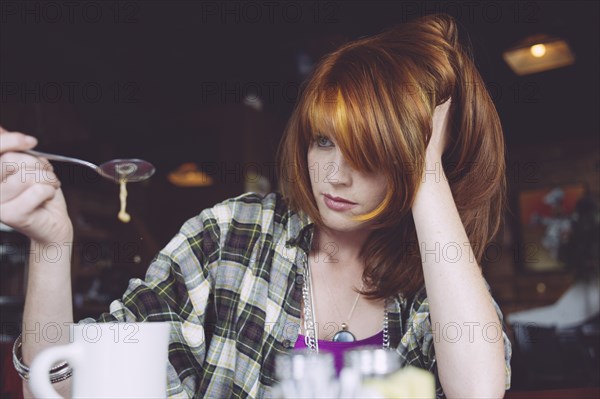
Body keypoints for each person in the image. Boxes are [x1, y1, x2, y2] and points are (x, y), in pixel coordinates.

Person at [1, 14, 511, 398]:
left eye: (372, 156)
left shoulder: (438, 282)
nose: (334, 176)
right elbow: (66, 387)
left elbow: (479, 390)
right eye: (324, 141)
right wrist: (50, 246)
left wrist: (424, 168)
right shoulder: (229, 237)